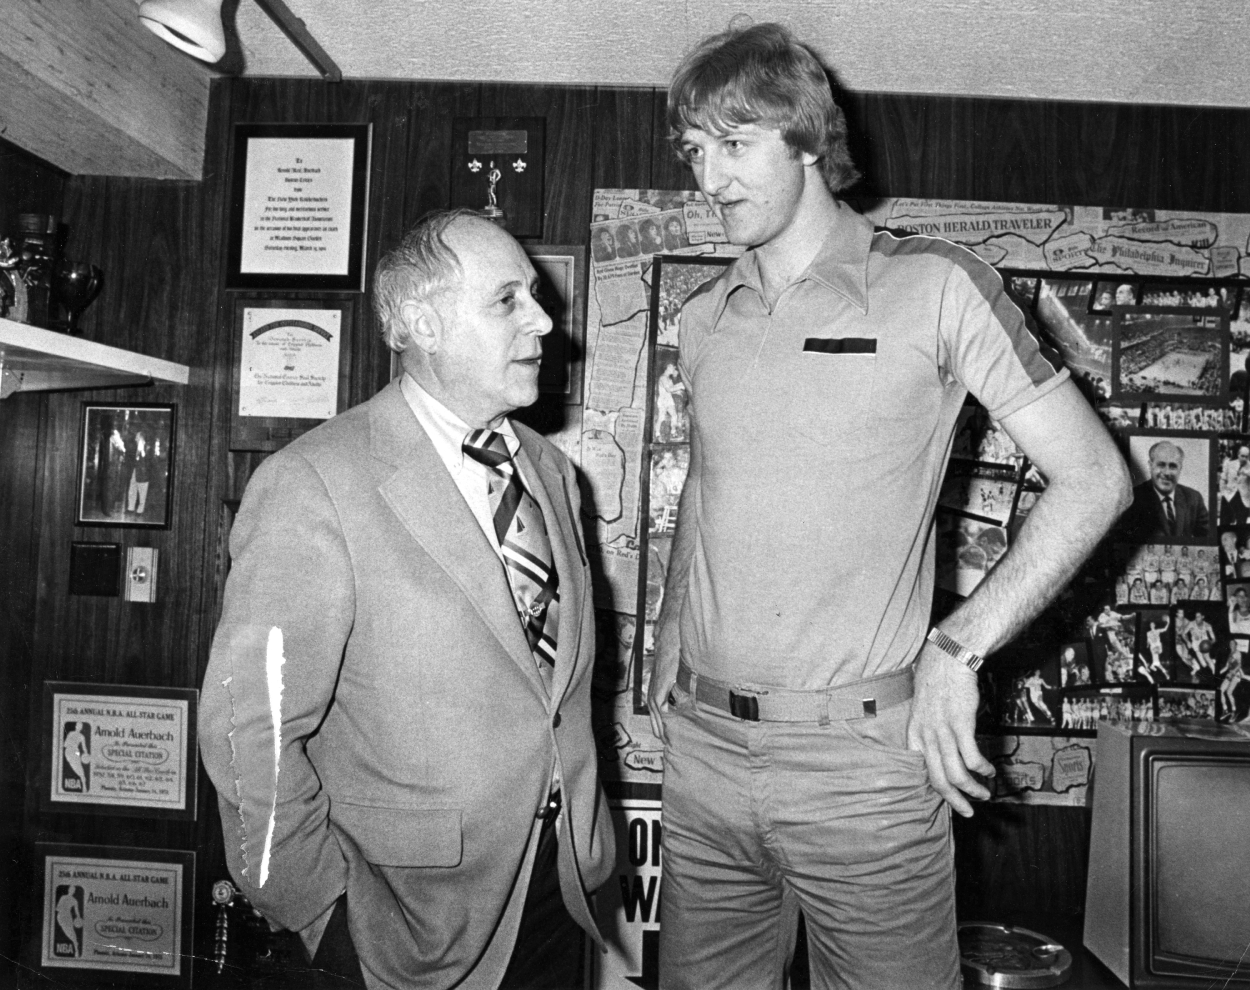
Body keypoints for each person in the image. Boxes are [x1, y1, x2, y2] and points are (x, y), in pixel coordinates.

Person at [645, 23, 1131, 990]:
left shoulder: (938, 287)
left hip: (863, 768)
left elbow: (1098, 479)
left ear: (810, 142)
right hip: (702, 758)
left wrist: (958, 650)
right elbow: (707, 484)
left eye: (734, 146)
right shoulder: (704, 316)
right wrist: (664, 661)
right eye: (695, 152)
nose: (709, 179)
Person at [199, 210, 613, 990]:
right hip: (403, 920)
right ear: (423, 322)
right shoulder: (313, 483)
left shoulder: (555, 476)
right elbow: (244, 729)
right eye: (507, 300)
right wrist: (319, 909)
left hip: (558, 890)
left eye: (534, 294)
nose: (544, 319)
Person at [1119, 440, 1209, 541]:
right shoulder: (1133, 498)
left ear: (1180, 469)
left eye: (1173, 466)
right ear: (1150, 465)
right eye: (1161, 465)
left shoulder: (1194, 498)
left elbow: (1208, 539)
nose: (1166, 472)